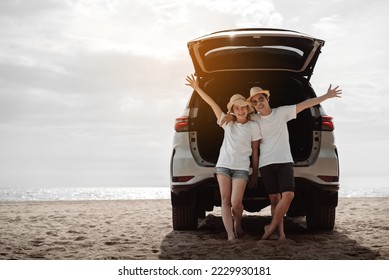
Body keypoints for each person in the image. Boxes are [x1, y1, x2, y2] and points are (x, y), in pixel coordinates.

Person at [223, 84, 342, 240]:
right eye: (255, 102)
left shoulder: (282, 113)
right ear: (252, 105)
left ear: (267, 99)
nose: (259, 103)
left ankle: (271, 227)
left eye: (261, 99)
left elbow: (305, 105)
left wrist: (326, 96)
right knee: (274, 199)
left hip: (284, 160)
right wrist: (229, 116)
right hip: (266, 163)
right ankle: (281, 234)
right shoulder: (254, 118)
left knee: (288, 195)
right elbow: (238, 116)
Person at [185, 74, 262, 240]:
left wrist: (255, 172)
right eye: (236, 108)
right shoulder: (226, 122)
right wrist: (197, 88)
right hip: (223, 166)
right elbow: (212, 103)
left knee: (236, 203)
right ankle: (230, 235)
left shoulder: (254, 126)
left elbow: (255, 150)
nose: (240, 110)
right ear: (232, 110)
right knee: (225, 200)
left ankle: (238, 225)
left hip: (241, 168)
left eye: (243, 107)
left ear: (248, 109)